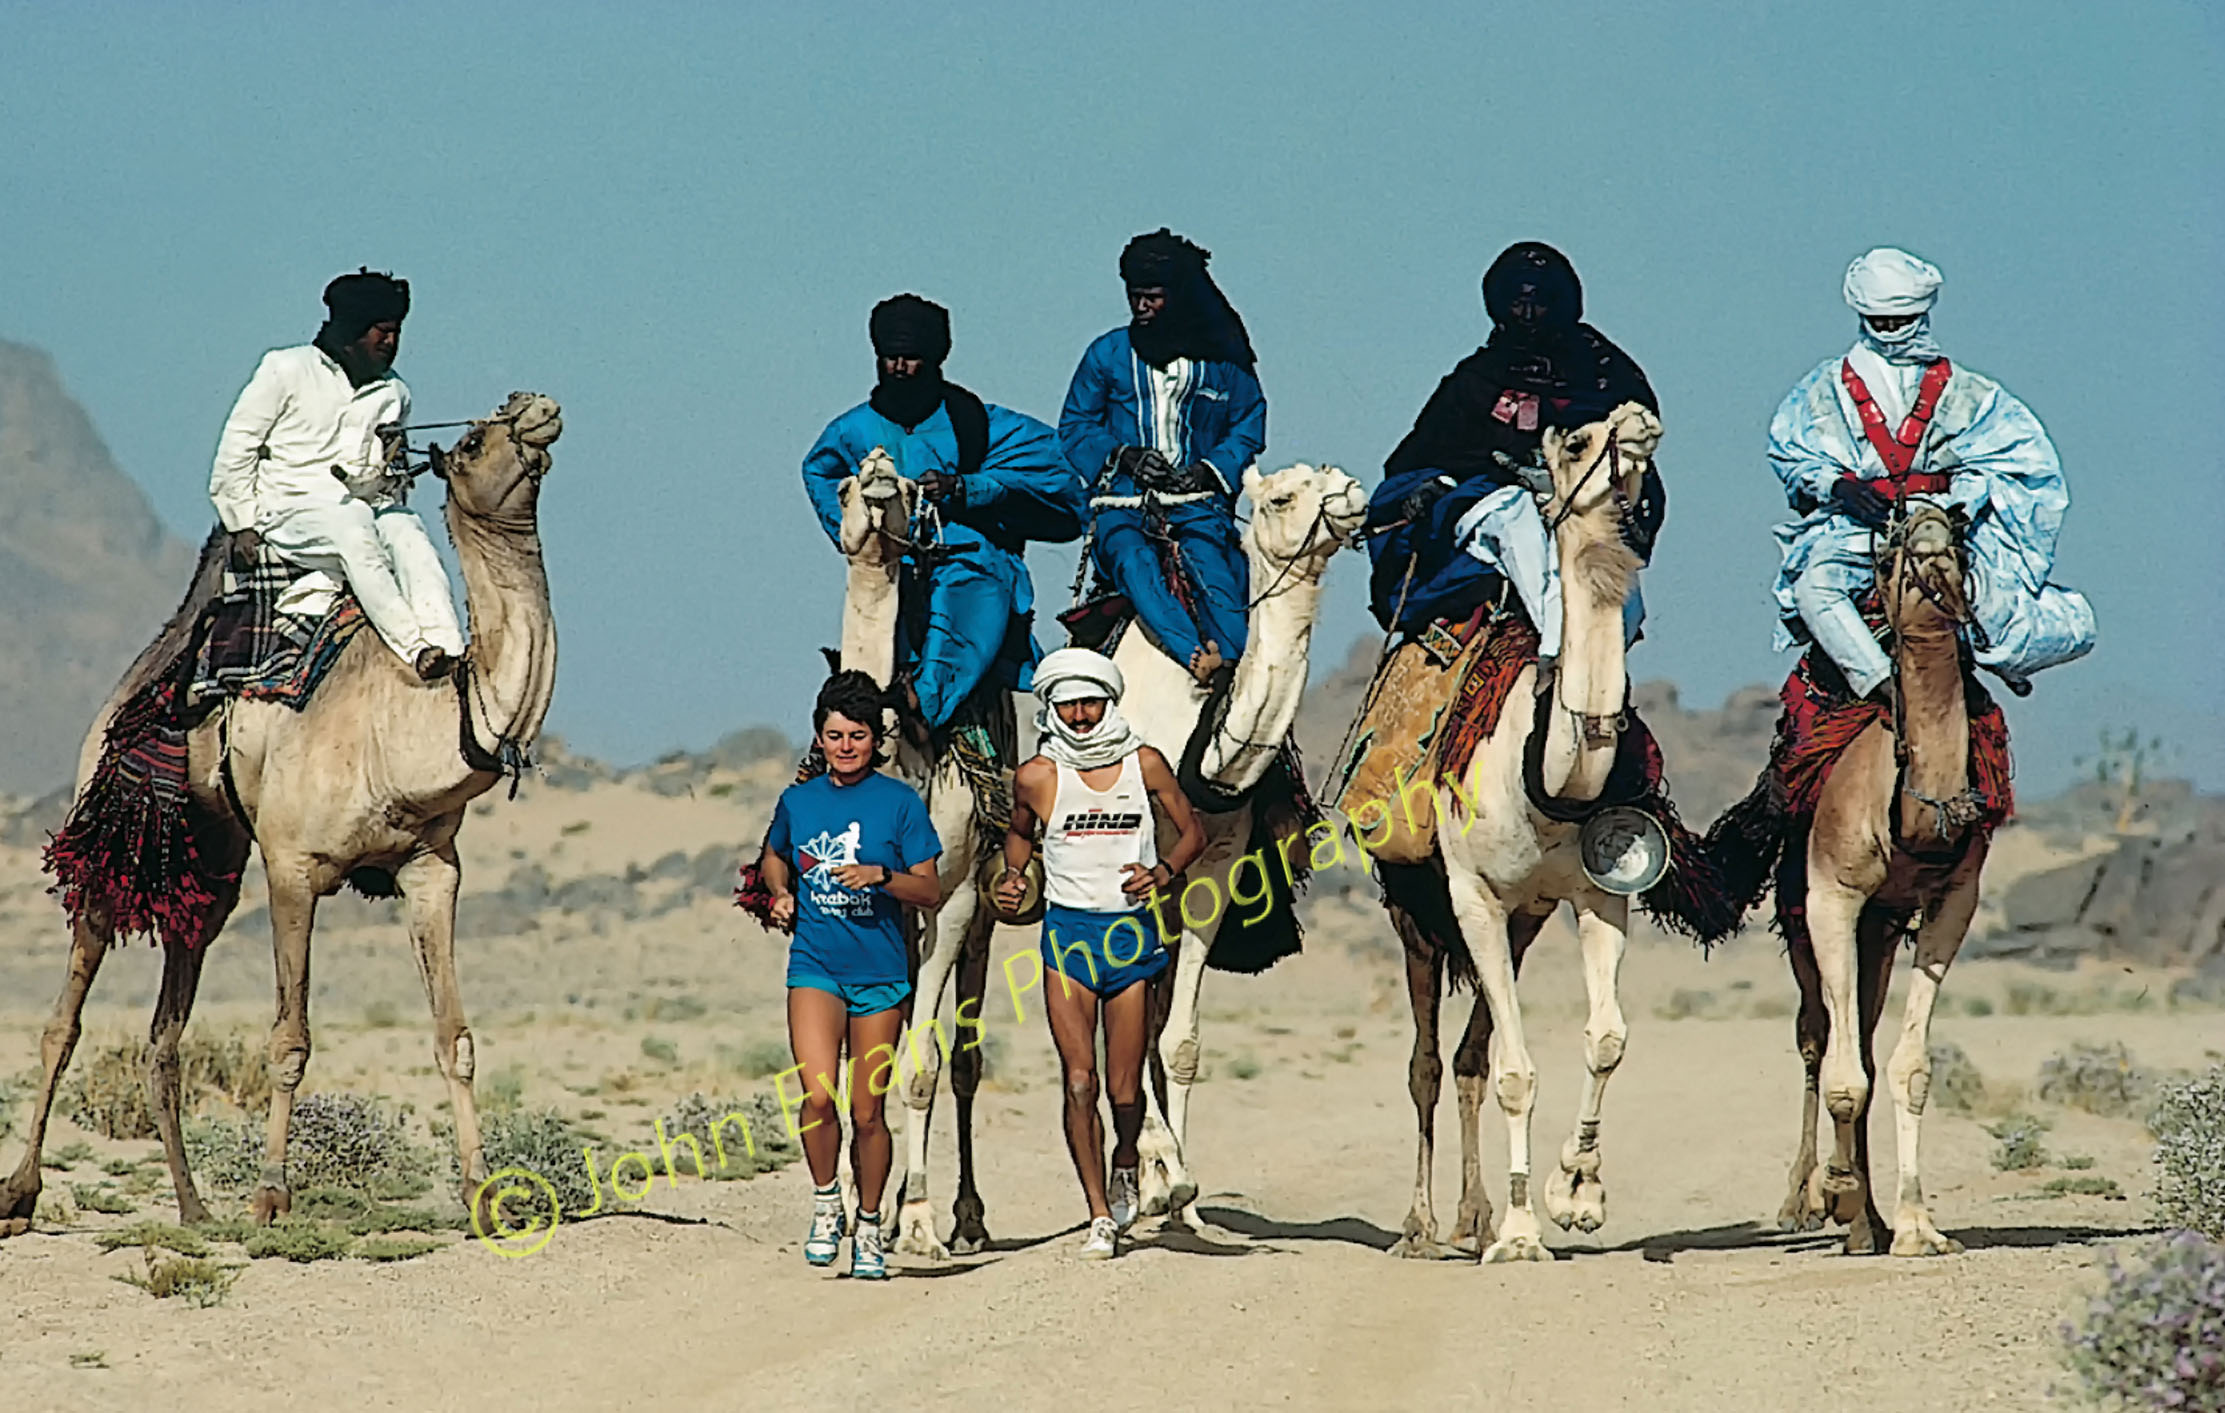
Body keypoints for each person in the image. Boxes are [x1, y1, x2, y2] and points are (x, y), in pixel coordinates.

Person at [1767, 247, 2096, 699]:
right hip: (1859, 525)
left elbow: (2018, 459)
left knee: (1993, 603)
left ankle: (2002, 667)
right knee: (1815, 586)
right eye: (1877, 320)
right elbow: (1791, 452)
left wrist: (1962, 502)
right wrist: (1837, 486)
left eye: (1897, 321)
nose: (1887, 331)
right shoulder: (1823, 388)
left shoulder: (1971, 392)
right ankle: (1881, 684)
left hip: (1940, 520)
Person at [993, 647, 1206, 1259]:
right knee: (1079, 1081)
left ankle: (1123, 1162)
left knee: (1124, 1092)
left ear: (1108, 702)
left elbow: (1193, 831)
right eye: (1068, 704)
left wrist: (1164, 871)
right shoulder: (1036, 775)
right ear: (1052, 707)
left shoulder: (1144, 763)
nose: (1081, 715)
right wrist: (1015, 873)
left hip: (1130, 936)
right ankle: (1098, 1215)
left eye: (1090, 702)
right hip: (1068, 939)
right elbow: (1018, 833)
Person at [801, 295, 1087, 733]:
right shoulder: (850, 430)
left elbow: (1063, 480)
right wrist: (859, 533)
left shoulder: (987, 426)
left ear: (935, 359)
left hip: (971, 557)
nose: (898, 368)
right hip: (894, 567)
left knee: (973, 583)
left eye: (911, 357)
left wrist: (968, 489)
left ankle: (925, 703)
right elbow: (820, 473)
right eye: (889, 357)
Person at [1365, 242, 1664, 659]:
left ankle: (1594, 681)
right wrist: (1434, 485)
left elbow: (1635, 448)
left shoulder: (1601, 374)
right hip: (1490, 501)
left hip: (1581, 508)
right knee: (1513, 516)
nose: (1526, 314)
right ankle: (1558, 653)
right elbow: (1423, 454)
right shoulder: (1476, 379)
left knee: (1623, 601)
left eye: (1538, 302)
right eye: (1516, 302)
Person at [758, 671, 944, 1279]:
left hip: (881, 977)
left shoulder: (900, 804)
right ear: (818, 736)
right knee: (817, 1094)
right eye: (835, 735)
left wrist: (882, 878)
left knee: (868, 1111)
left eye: (857, 736)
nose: (845, 746)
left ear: (875, 740)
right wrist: (780, 893)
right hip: (815, 967)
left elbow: (932, 890)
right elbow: (773, 855)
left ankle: (868, 1224)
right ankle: (824, 1203)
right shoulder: (798, 801)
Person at [207, 268, 466, 682]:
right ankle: (414, 648)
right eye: (381, 332)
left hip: (365, 509)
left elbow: (386, 477)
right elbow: (236, 452)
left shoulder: (394, 393)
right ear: (350, 331)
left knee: (408, 532)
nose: (391, 343)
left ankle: (449, 648)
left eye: (396, 332)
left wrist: (399, 474)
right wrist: (242, 524)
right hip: (290, 514)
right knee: (353, 527)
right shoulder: (285, 370)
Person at [1059, 230, 1265, 683]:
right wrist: (1124, 455)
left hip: (1198, 506)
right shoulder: (1106, 355)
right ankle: (1194, 656)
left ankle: (1237, 670)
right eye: (1135, 296)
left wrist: (1208, 471)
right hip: (1122, 506)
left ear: (1180, 297)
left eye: (1153, 297)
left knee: (1211, 566)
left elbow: (1249, 422)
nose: (1141, 307)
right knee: (1132, 561)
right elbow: (1074, 426)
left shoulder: (1224, 362)